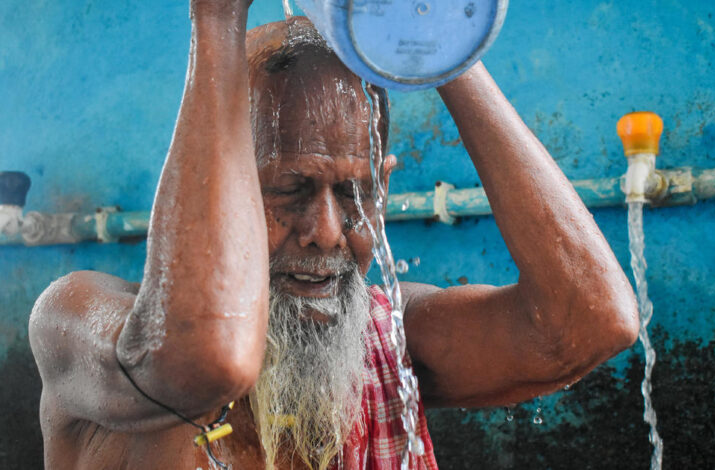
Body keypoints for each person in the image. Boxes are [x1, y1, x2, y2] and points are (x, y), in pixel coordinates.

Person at [29, 1, 639, 469]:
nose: (326, 234)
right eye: (290, 192)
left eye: (356, 194)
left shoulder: (393, 336)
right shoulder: (79, 322)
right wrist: (216, 18)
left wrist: (436, 41)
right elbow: (204, 360)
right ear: (218, 188)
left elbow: (593, 321)